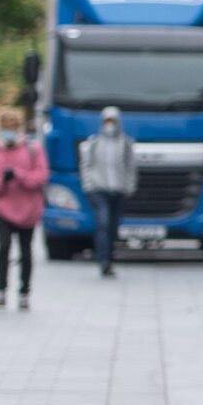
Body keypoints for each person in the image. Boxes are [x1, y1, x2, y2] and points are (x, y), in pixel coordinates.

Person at [0, 110, 46, 309]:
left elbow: (41, 176)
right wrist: (2, 179)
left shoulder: (33, 148)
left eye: (11, 128)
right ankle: (0, 291)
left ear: (18, 128)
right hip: (4, 209)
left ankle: (24, 293)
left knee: (25, 251)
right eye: (5, 128)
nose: (7, 132)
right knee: (3, 248)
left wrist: (19, 175)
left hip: (28, 210)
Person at [78, 106, 137, 278]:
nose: (109, 124)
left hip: (118, 190)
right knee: (102, 223)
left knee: (113, 226)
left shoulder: (125, 143)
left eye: (113, 121)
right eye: (107, 121)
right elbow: (86, 165)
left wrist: (129, 186)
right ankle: (103, 260)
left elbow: (130, 167)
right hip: (99, 190)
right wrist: (88, 185)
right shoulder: (95, 142)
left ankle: (109, 258)